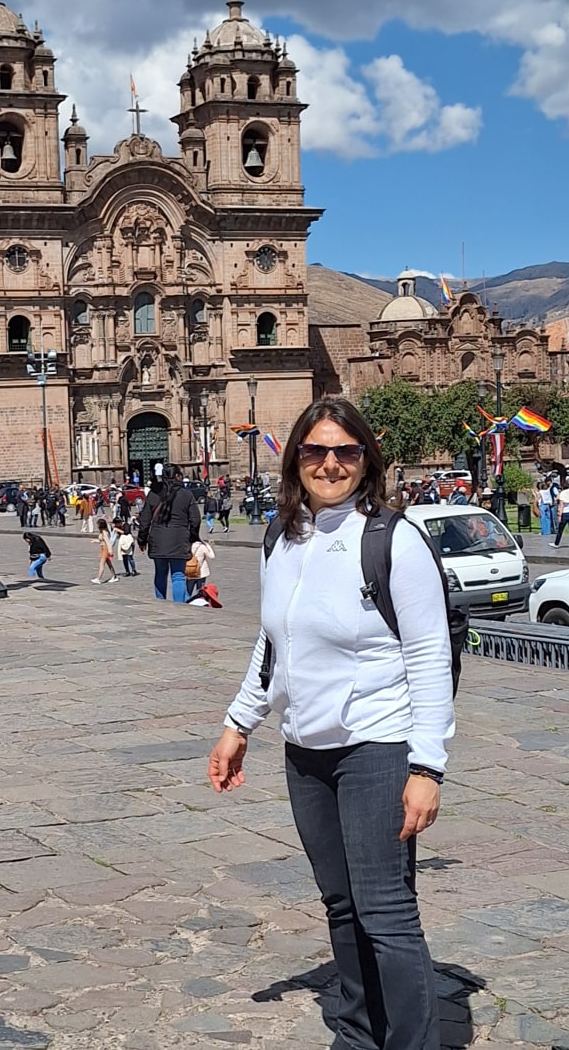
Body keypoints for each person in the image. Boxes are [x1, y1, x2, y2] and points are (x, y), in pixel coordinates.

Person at [208, 397, 453, 1050]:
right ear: (295, 459)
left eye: (345, 451)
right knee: (341, 905)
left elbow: (431, 655)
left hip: (376, 745)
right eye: (316, 450)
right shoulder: (282, 537)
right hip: (306, 752)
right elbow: (273, 644)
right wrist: (240, 723)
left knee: (386, 912)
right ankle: (358, 1030)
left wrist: (426, 766)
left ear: (366, 458)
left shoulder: (392, 539)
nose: (330, 463)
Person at [136, 462, 200, 603]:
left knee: (160, 573)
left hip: (158, 539)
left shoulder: (153, 495)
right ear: (177, 476)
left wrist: (142, 540)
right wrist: (192, 537)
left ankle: (161, 603)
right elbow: (195, 519)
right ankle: (179, 606)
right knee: (178, 575)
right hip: (179, 538)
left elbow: (144, 520)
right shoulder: (186, 495)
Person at [551, 482, 569, 549]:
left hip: (565, 513)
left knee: (560, 529)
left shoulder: (562, 494)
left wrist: (559, 515)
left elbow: (561, 505)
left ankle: (556, 543)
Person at [186, 534, 215, 599]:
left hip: (190, 572)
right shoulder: (202, 547)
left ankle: (186, 605)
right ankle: (199, 605)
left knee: (187, 593)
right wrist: (208, 545)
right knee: (200, 592)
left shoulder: (188, 546)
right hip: (201, 573)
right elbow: (212, 556)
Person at [91, 517, 120, 584]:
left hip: (105, 549)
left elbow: (108, 542)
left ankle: (99, 578)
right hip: (103, 548)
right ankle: (114, 576)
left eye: (98, 524)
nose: (97, 525)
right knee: (109, 563)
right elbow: (101, 540)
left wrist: (110, 551)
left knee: (101, 564)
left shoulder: (104, 532)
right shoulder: (103, 531)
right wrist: (95, 541)